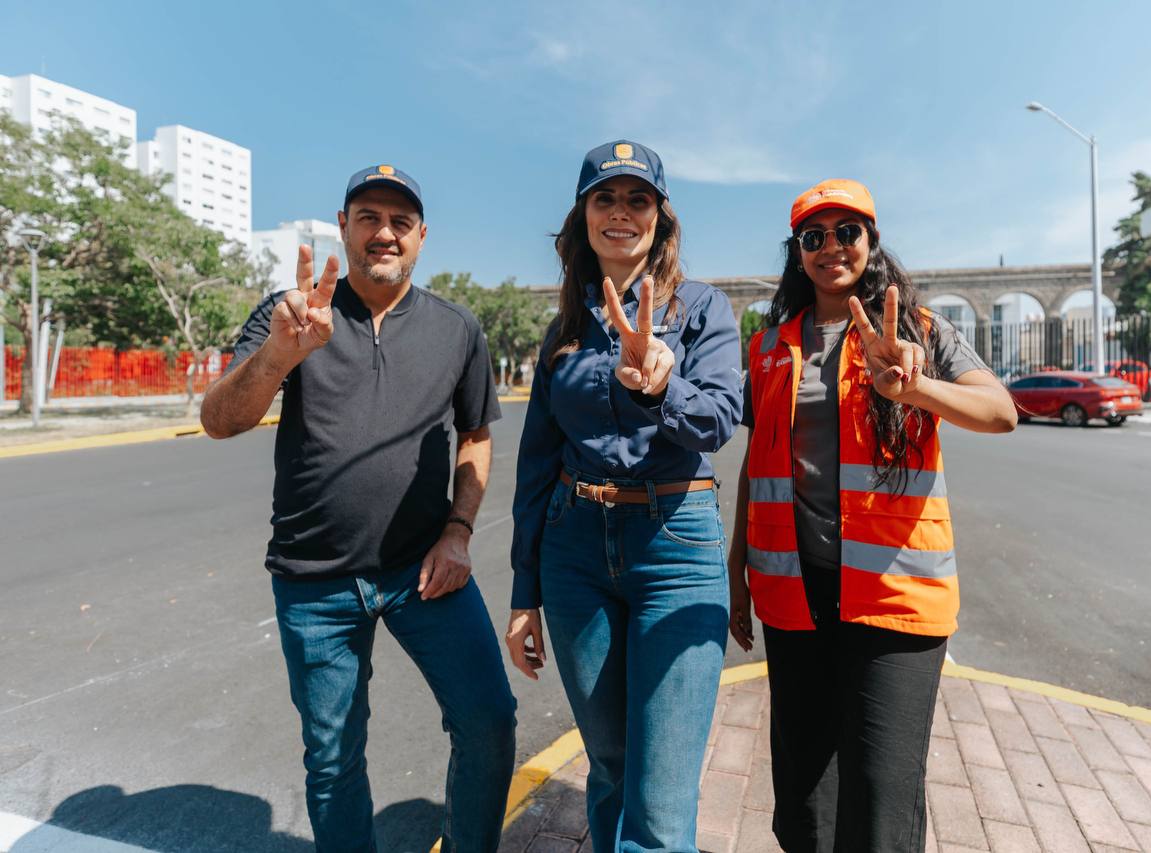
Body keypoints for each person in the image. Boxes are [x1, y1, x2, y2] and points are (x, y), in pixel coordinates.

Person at [201, 165, 516, 853]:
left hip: (424, 571)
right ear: (343, 226)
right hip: (314, 582)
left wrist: (459, 531)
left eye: (401, 221)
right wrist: (278, 357)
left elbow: (476, 435)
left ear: (422, 236)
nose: (384, 232)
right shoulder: (293, 312)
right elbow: (220, 420)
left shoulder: (457, 328)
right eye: (369, 216)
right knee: (333, 758)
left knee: (489, 721)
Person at [727, 179, 1017, 852]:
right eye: (814, 236)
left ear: (872, 241)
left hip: (894, 593)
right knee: (804, 795)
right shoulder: (769, 348)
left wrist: (917, 388)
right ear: (798, 252)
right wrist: (737, 570)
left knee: (880, 795)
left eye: (847, 232)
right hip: (795, 593)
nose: (832, 247)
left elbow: (1000, 412)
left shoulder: (921, 331)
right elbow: (758, 463)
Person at [504, 140, 743, 852]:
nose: (620, 213)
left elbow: (720, 419)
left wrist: (662, 385)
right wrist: (524, 592)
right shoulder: (564, 329)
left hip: (675, 547)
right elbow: (536, 461)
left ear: (660, 218)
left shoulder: (702, 309)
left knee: (660, 806)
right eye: (605, 198)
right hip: (574, 551)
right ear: (582, 216)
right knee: (608, 765)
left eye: (638, 199)